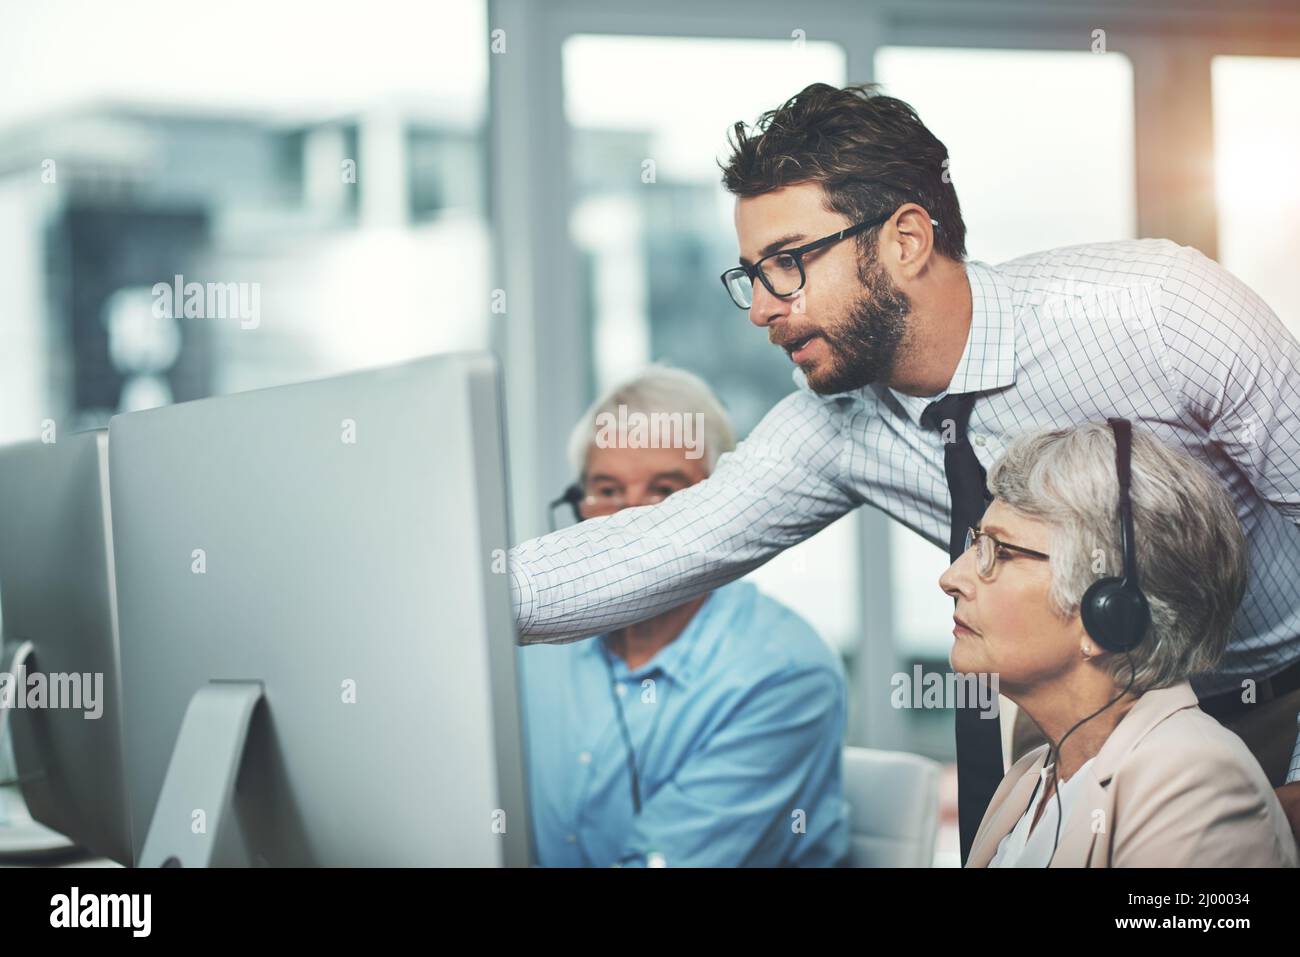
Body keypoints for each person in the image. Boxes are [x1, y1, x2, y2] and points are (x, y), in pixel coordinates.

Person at [509, 82, 1300, 863]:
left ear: (907, 240)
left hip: (1284, 685)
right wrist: (458, 604)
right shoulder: (836, 425)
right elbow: (660, 546)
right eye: (750, 273)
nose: (759, 308)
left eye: (787, 263)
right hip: (1080, 706)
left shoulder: (1161, 313)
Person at [520, 366, 850, 867]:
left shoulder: (784, 672)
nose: (630, 519)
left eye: (664, 492)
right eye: (607, 490)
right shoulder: (527, 656)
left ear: (725, 507)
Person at [940, 421, 1297, 866]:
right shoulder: (1029, 780)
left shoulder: (1193, 785)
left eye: (998, 551)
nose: (951, 578)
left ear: (1108, 610)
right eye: (975, 545)